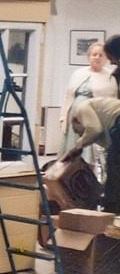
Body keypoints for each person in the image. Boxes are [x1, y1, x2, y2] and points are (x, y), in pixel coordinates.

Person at [58, 42, 117, 181]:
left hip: (94, 118)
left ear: (106, 58)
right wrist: (63, 117)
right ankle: (67, 182)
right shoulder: (78, 73)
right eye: (94, 54)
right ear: (89, 57)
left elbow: (112, 101)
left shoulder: (110, 77)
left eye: (100, 55)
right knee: (70, 152)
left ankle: (87, 181)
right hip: (75, 115)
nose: (96, 58)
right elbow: (68, 96)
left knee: (90, 151)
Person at [61, 97, 120, 214]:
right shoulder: (101, 115)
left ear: (76, 122)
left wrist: (78, 146)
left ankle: (112, 209)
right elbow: (106, 141)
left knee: (114, 170)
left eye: (77, 131)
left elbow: (94, 129)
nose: (80, 135)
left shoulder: (81, 108)